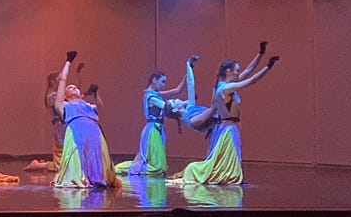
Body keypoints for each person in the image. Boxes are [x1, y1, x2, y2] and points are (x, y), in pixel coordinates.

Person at [169, 41, 280, 185]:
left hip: (228, 127)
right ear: (229, 71)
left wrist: (261, 54)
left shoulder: (225, 86)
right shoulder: (224, 89)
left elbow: (248, 71)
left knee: (229, 159)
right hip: (227, 128)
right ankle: (205, 172)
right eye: (236, 70)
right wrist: (268, 66)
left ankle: (230, 176)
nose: (239, 73)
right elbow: (250, 81)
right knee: (227, 159)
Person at [51, 51, 119, 188]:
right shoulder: (64, 105)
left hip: (93, 131)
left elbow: (99, 107)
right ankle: (80, 177)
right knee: (76, 156)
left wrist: (95, 94)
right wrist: (68, 62)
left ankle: (96, 177)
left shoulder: (86, 105)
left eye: (75, 87)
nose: (74, 87)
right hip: (77, 131)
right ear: (64, 95)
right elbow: (62, 82)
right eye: (70, 87)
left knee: (95, 155)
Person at [114, 57, 189, 176]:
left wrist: (188, 72)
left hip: (157, 129)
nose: (164, 85)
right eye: (162, 81)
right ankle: (119, 169)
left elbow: (177, 90)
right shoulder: (151, 97)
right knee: (158, 167)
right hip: (152, 129)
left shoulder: (156, 94)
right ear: (154, 80)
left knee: (156, 163)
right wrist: (183, 103)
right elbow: (167, 106)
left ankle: (122, 168)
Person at [23, 71, 63, 172]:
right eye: (59, 79)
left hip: (60, 126)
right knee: (64, 162)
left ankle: (41, 164)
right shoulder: (53, 96)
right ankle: (40, 165)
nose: (61, 82)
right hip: (61, 126)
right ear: (52, 81)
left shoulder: (53, 95)